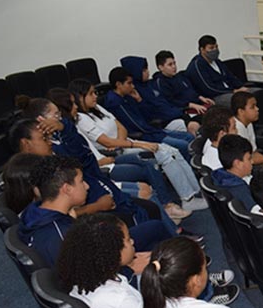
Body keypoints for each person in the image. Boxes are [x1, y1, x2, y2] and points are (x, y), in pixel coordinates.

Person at [57, 215, 247, 308]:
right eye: (126, 240)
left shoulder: (87, 277)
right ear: (110, 252)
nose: (132, 241)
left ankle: (195, 280)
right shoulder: (118, 301)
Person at [68, 79, 206, 214]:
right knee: (164, 154)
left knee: (173, 150)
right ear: (80, 96)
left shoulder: (97, 108)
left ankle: (195, 192)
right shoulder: (81, 119)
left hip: (125, 143)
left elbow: (120, 126)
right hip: (117, 151)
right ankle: (185, 199)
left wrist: (121, 140)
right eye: (91, 93)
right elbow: (107, 142)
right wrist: (136, 144)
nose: (95, 96)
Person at [17, 155, 168, 267]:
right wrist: (129, 267)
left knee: (154, 227)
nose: (87, 186)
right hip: (103, 282)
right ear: (67, 189)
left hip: (93, 260)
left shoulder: (34, 212)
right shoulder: (63, 237)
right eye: (81, 181)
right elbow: (87, 279)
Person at [98, 70, 193, 157]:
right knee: (183, 145)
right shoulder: (115, 102)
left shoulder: (127, 96)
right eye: (129, 83)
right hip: (145, 135)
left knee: (189, 137)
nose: (133, 86)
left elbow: (148, 116)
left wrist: (139, 100)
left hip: (152, 130)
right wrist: (156, 133)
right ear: (118, 84)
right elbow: (136, 125)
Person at [119, 55, 199, 135]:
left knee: (206, 119)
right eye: (144, 70)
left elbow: (165, 103)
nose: (148, 72)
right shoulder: (134, 92)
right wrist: (140, 100)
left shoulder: (150, 85)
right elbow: (149, 114)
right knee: (195, 126)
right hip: (163, 122)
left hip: (175, 114)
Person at [186, 35, 248, 106]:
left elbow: (230, 77)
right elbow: (209, 89)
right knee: (242, 101)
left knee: (257, 93)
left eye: (216, 47)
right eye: (211, 48)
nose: (215, 50)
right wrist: (233, 91)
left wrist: (241, 86)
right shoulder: (197, 65)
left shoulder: (217, 62)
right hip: (215, 96)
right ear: (202, 49)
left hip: (230, 91)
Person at [211, 134, 257, 211]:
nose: (252, 162)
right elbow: (259, 217)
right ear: (238, 163)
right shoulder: (241, 191)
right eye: (249, 159)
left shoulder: (216, 175)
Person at [199, 105, 237, 171]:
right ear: (222, 134)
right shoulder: (221, 164)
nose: (237, 131)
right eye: (234, 128)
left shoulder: (219, 151)